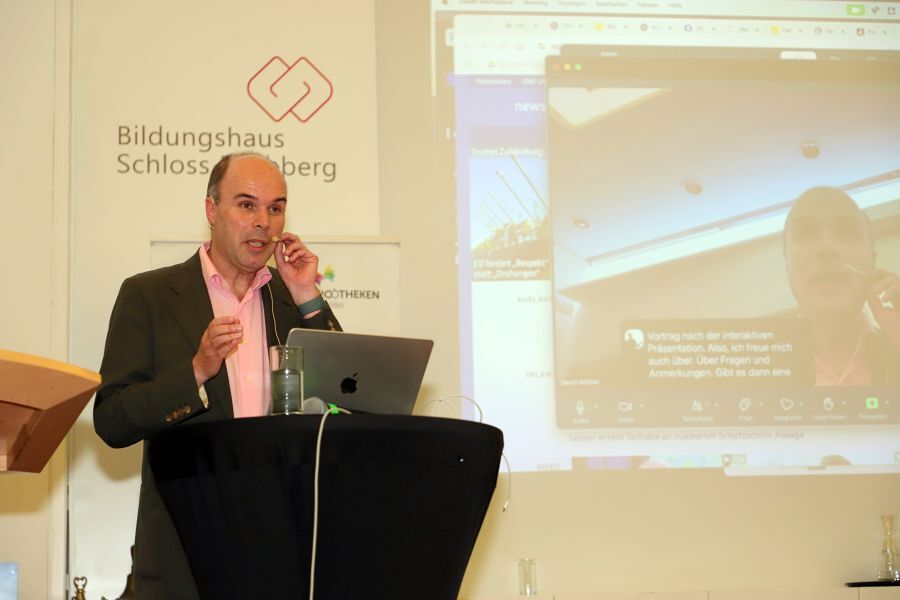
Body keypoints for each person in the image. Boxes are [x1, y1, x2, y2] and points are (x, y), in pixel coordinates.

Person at [94, 152, 341, 599]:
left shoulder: (293, 300)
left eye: (276, 208)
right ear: (211, 210)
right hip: (186, 553)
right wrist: (195, 371)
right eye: (247, 205)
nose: (264, 221)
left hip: (283, 548)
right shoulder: (149, 295)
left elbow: (344, 401)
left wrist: (308, 294)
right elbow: (112, 419)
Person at [783, 186, 900, 385]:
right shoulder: (748, 374)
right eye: (805, 233)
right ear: (787, 262)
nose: (826, 247)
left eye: (847, 232)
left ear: (871, 261)